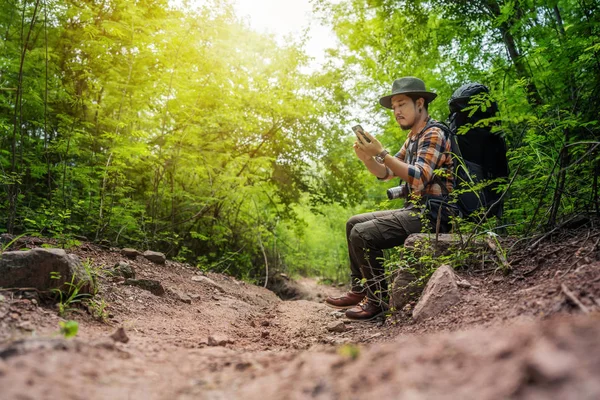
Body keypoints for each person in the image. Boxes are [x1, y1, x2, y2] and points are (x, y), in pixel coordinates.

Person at [325, 77, 454, 320]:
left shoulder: (434, 133)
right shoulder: (413, 138)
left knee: (362, 234)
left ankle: (377, 303)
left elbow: (418, 178)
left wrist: (381, 152)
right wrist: (367, 158)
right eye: (394, 107)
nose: (396, 112)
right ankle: (360, 289)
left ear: (419, 103)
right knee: (353, 222)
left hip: (435, 215)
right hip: (415, 210)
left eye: (401, 104)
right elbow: (387, 173)